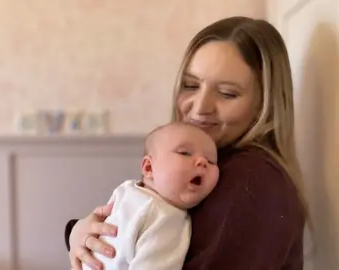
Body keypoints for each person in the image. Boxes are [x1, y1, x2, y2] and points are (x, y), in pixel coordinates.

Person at [65, 16, 307, 270]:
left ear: (264, 104)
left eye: (227, 93)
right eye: (191, 85)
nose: (200, 108)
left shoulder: (252, 180)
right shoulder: (204, 166)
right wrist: (78, 233)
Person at [82, 122, 219, 270]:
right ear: (148, 167)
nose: (202, 162)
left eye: (211, 161)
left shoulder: (128, 189)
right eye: (185, 153)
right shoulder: (166, 219)